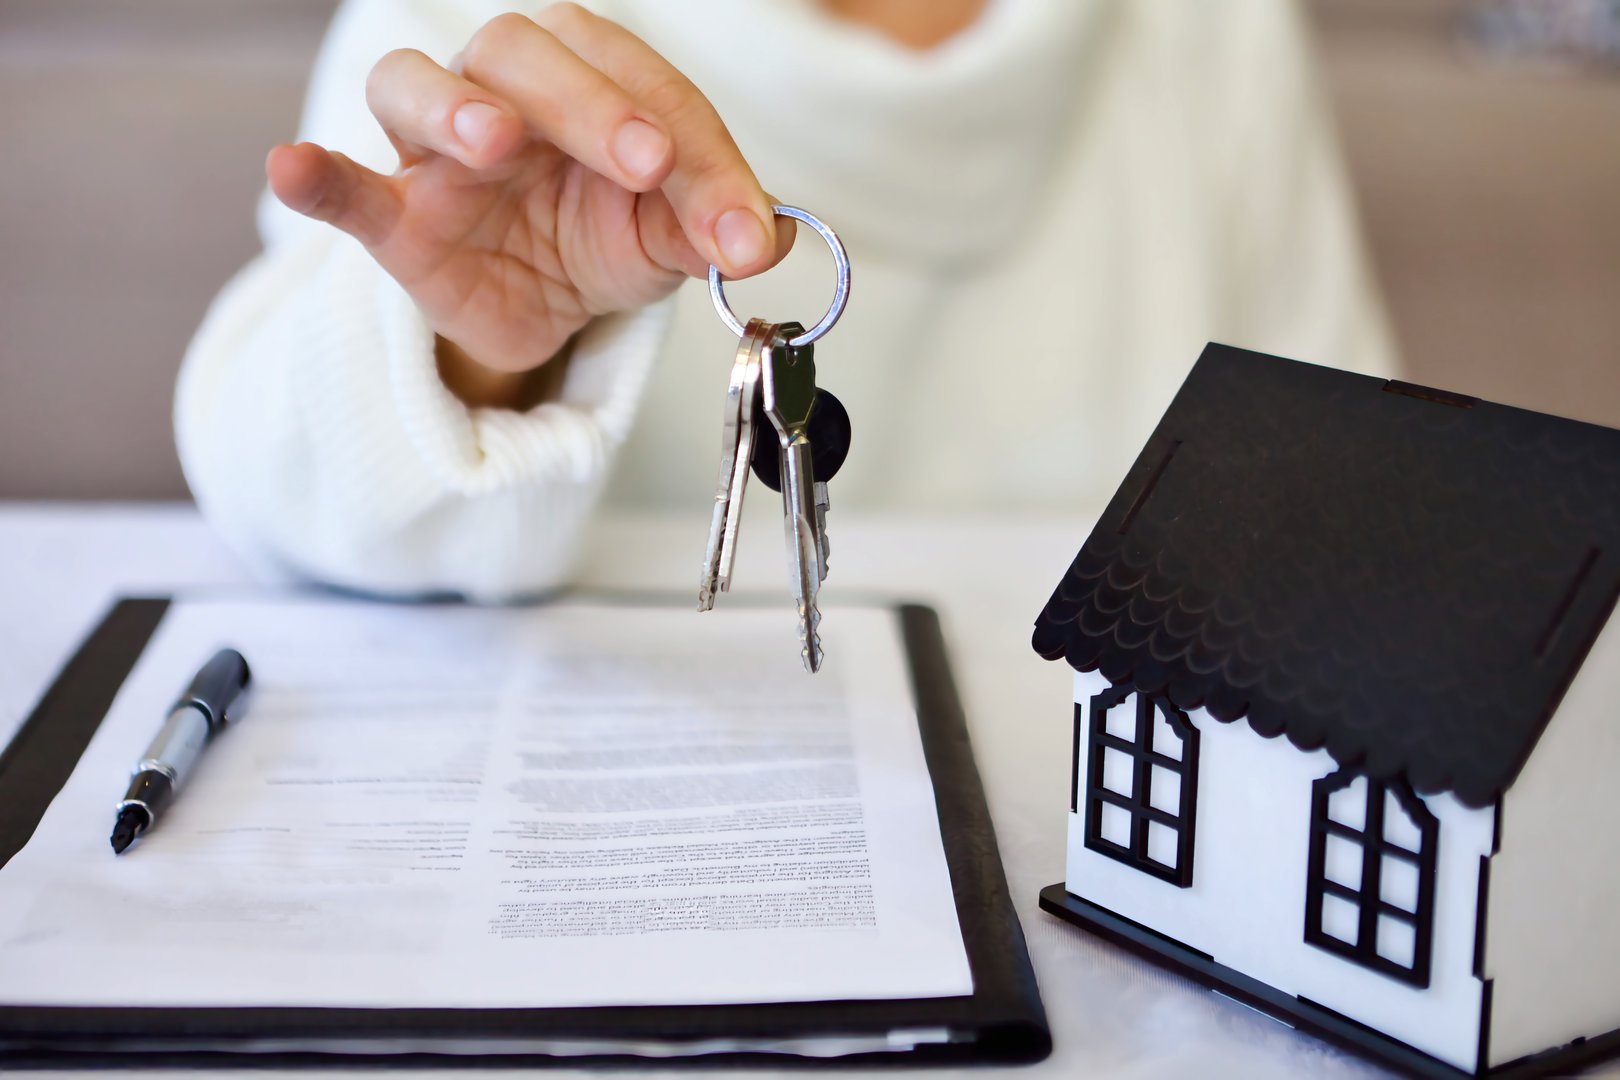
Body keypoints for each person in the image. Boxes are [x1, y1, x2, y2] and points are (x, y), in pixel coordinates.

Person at [177, 0, 1394, 600]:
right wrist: (479, 355)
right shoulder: (489, 33)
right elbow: (276, 490)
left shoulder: (1211, 27)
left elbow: (1344, 509)